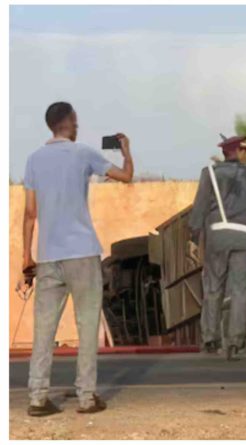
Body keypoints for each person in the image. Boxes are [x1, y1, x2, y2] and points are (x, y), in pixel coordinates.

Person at [22, 102, 134, 416]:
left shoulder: (33, 160)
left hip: (47, 256)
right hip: (82, 253)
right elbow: (125, 176)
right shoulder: (83, 153)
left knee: (44, 329)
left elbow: (30, 214)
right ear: (69, 123)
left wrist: (25, 258)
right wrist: (125, 150)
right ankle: (86, 398)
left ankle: (37, 398)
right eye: (75, 120)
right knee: (87, 327)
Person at [188, 135, 246, 360]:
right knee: (241, 289)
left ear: (224, 153)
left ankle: (210, 339)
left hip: (218, 235)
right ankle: (235, 342)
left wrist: (194, 238)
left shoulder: (210, 174)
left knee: (213, 287)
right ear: (240, 151)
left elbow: (200, 207)